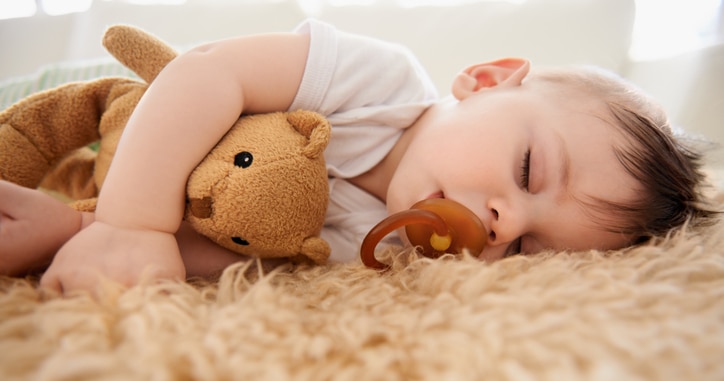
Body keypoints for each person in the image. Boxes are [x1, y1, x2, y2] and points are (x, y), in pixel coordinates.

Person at [0, 19, 716, 292]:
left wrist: (81, 232)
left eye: (527, 244)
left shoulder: (381, 254)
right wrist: (131, 221)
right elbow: (208, 72)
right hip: (86, 112)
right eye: (529, 170)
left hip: (88, 189)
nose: (499, 221)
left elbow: (230, 251)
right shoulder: (379, 84)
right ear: (488, 81)